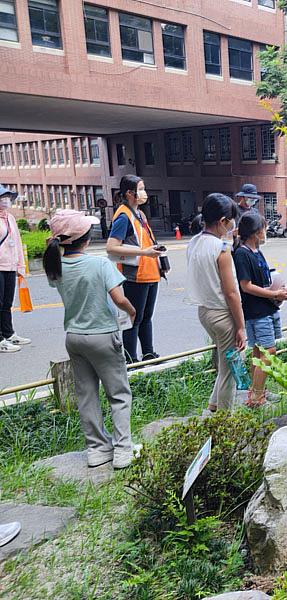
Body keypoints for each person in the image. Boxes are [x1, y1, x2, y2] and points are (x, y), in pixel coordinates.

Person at [44, 209, 137, 469]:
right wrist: (132, 311)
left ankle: (97, 450)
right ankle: (122, 450)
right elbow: (119, 299)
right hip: (102, 336)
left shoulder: (56, 266)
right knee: (118, 394)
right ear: (85, 238)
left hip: (74, 337)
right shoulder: (100, 264)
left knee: (87, 395)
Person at [187, 194, 246, 412]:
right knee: (230, 370)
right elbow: (231, 293)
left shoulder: (194, 242)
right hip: (222, 316)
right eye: (231, 220)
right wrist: (241, 327)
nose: (233, 224)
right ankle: (224, 421)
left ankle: (213, 406)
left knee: (224, 363)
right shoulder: (221, 248)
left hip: (204, 313)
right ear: (223, 221)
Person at [233, 212, 287, 407]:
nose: (266, 233)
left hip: (267, 308)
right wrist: (274, 295)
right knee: (269, 351)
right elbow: (246, 286)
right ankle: (257, 397)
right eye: (264, 229)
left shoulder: (256, 251)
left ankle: (258, 392)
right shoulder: (242, 253)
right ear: (256, 232)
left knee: (259, 351)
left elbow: (265, 278)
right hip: (257, 311)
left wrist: (280, 290)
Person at [106, 175, 164, 363]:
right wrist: (144, 252)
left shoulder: (139, 213)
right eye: (140, 189)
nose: (144, 193)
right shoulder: (123, 216)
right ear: (129, 193)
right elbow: (112, 246)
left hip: (150, 273)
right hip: (135, 275)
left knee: (146, 317)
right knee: (134, 318)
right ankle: (131, 359)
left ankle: (148, 353)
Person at [0, 186, 30, 353]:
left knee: (7, 303)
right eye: (2, 197)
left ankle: (8, 333)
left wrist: (20, 265)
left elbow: (17, 242)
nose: (6, 200)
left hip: (10, 265)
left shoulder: (10, 218)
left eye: (7, 196)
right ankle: (0, 340)